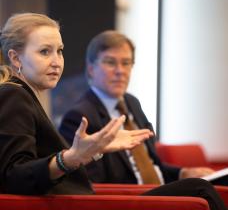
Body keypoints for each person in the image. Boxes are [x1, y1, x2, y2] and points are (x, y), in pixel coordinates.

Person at [0, 13, 226, 210]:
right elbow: (14, 176)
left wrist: (94, 149)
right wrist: (71, 158)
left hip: (84, 201)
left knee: (198, 186)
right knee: (199, 189)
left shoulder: (23, 96)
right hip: (82, 205)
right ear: (15, 57)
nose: (57, 61)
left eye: (59, 51)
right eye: (44, 52)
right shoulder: (13, 95)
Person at [59, 30, 216, 185]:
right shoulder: (79, 117)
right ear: (91, 69)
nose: (120, 71)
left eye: (126, 63)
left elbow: (152, 166)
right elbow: (90, 186)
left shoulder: (131, 102)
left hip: (160, 192)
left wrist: (183, 173)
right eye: (110, 62)